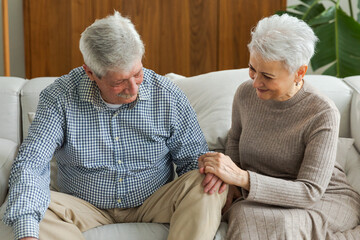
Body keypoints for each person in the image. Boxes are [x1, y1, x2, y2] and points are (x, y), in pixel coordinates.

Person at [2, 11, 227, 240]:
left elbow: (194, 161)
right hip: (84, 206)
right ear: (90, 72)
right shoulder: (59, 97)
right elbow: (31, 163)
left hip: (154, 201)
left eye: (137, 74)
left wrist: (207, 179)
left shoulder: (167, 95)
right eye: (119, 82)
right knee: (24, 212)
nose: (133, 88)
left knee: (207, 182)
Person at [198, 14, 360, 239]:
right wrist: (231, 183)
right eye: (252, 69)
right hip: (259, 195)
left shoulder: (322, 112)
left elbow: (310, 192)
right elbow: (235, 138)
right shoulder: (245, 94)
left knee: (282, 224)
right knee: (246, 216)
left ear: (300, 73)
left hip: (321, 198)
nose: (255, 82)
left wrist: (241, 178)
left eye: (267, 76)